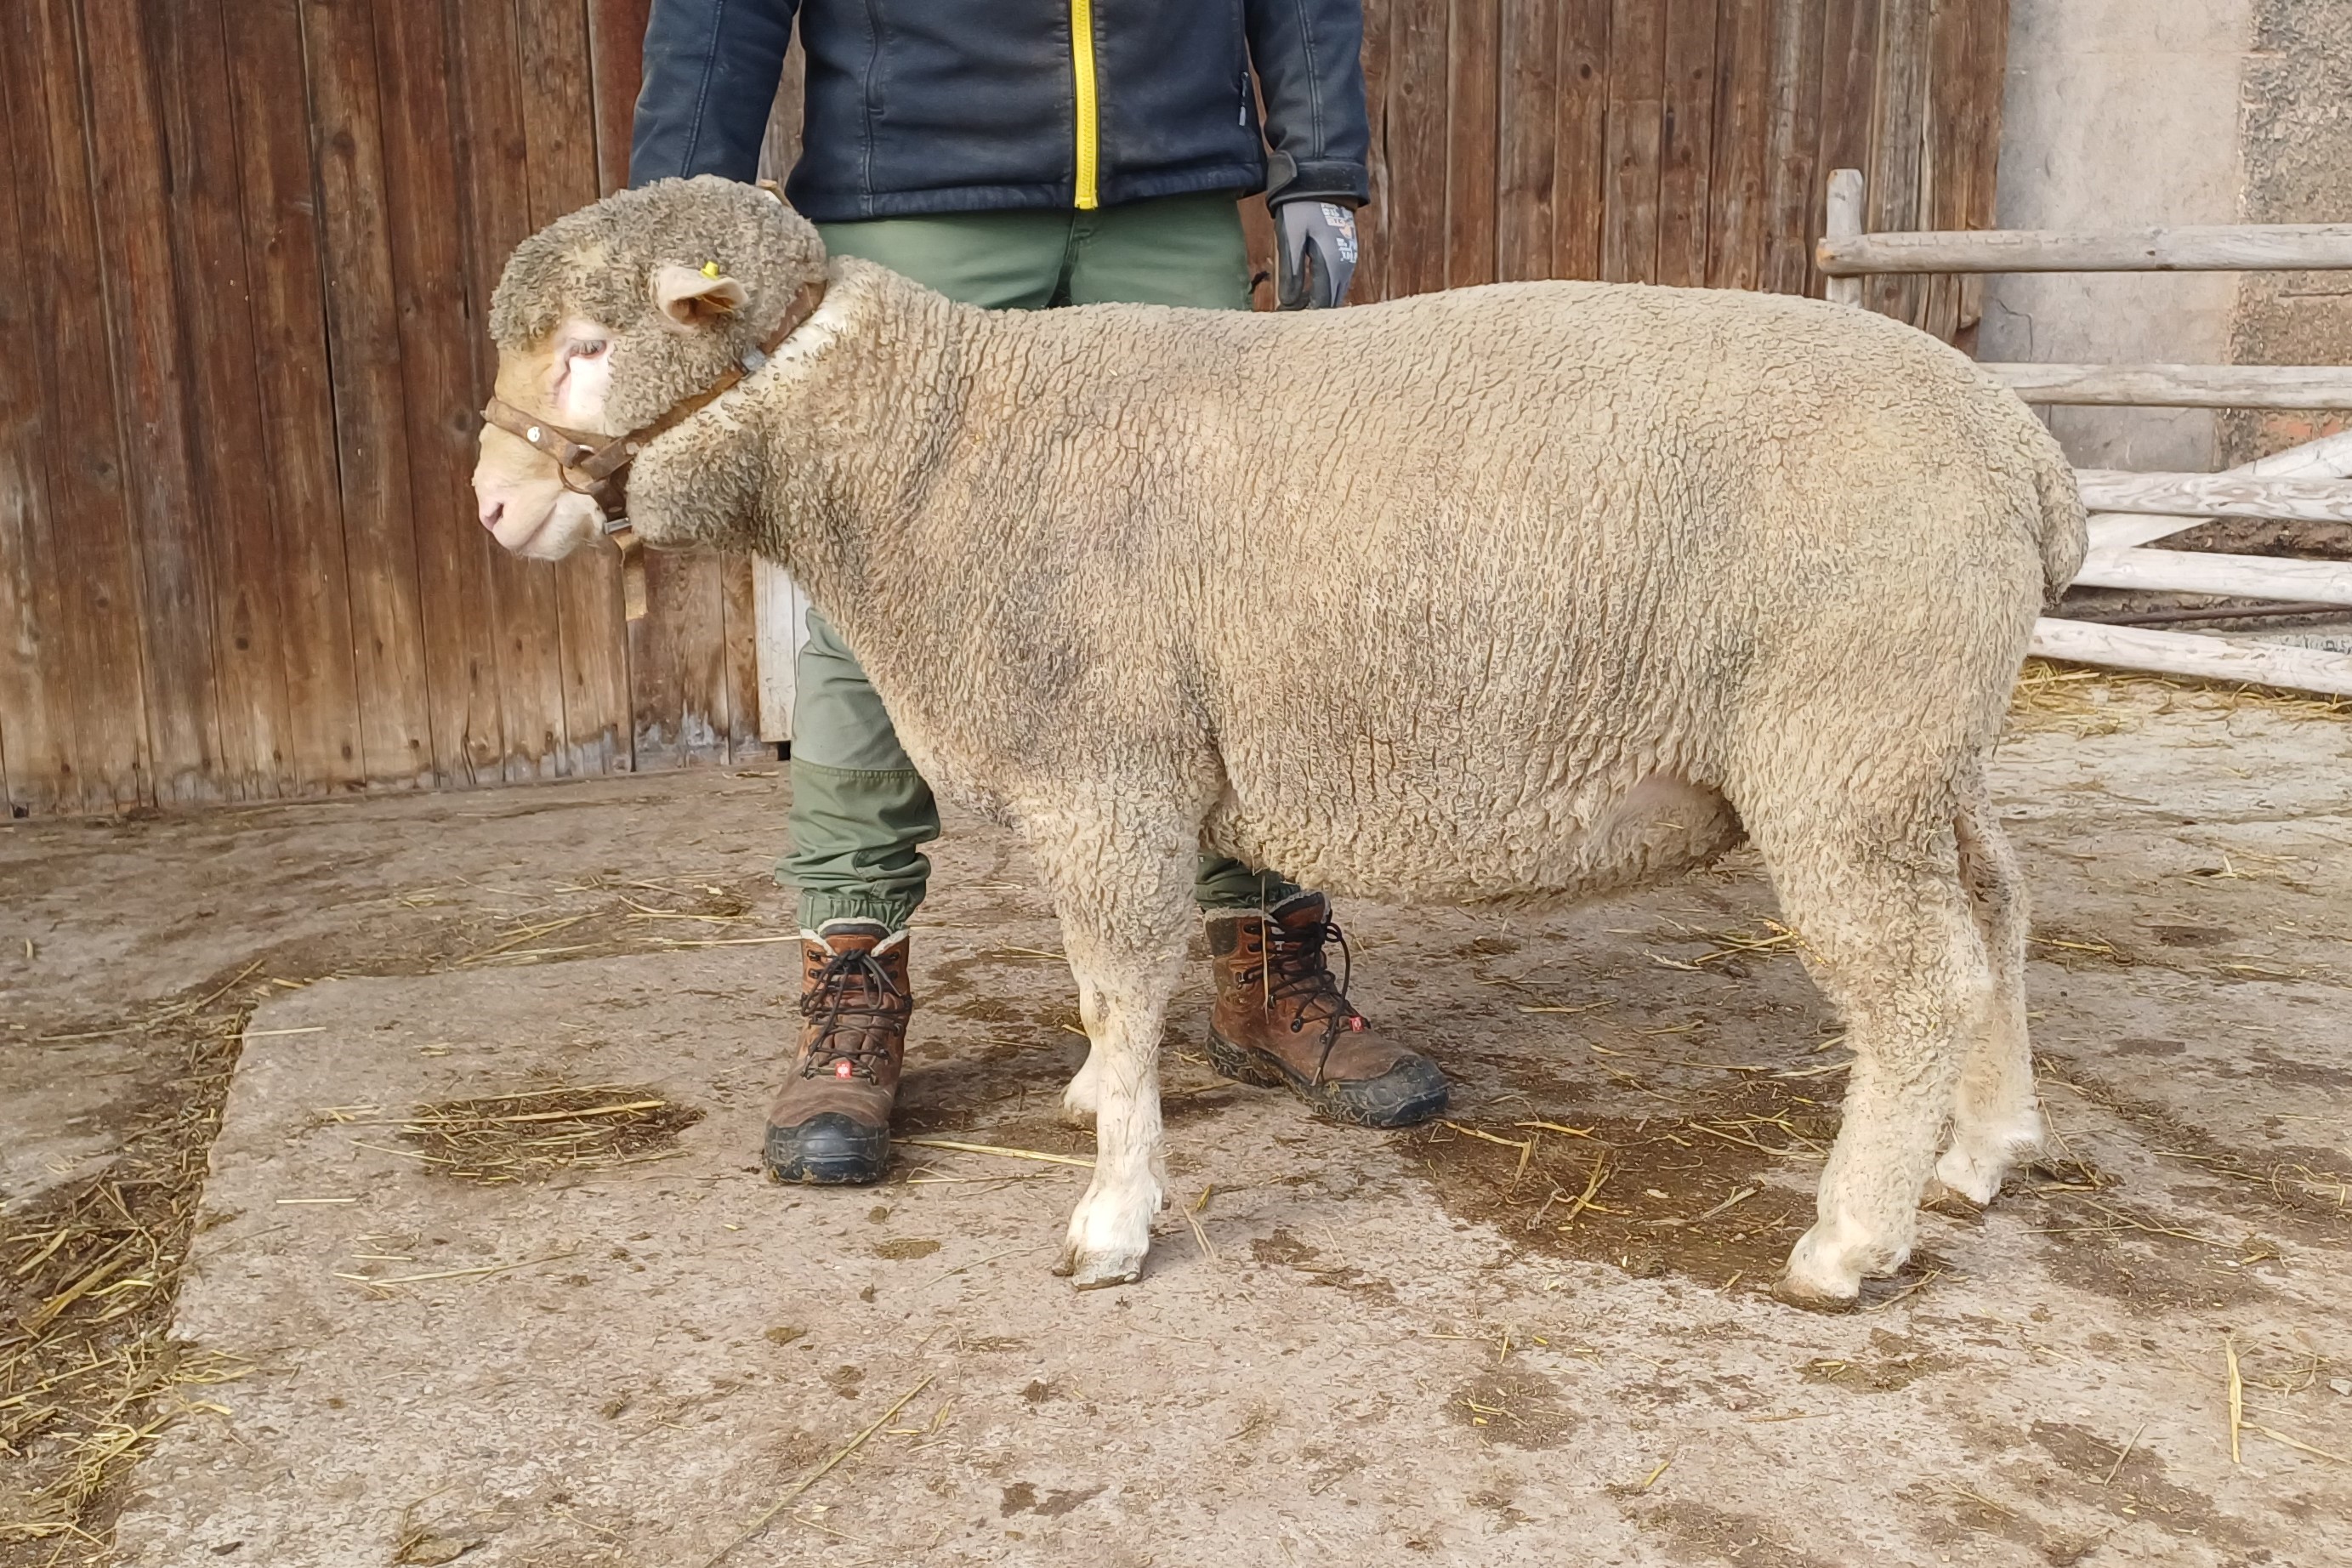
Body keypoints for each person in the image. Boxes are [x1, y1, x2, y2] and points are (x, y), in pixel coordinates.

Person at [631, 0, 1449, 1185]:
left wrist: (1318, 167)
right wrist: (677, 212)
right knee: (883, 610)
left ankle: (1266, 967)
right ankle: (855, 977)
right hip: (913, 199)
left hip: (1169, 198)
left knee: (1240, 594)